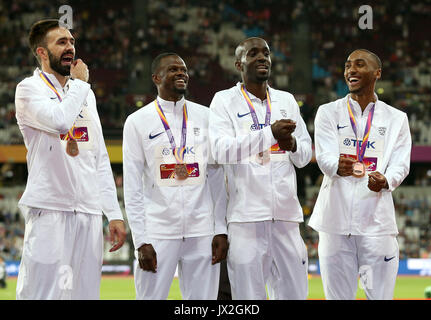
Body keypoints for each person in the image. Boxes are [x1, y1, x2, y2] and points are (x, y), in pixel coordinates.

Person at [14, 19, 126, 300]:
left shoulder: (85, 97)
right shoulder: (29, 90)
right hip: (50, 208)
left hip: (88, 212)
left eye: (72, 42)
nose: (70, 48)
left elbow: (99, 158)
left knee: (84, 295)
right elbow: (60, 121)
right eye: (61, 42)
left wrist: (113, 213)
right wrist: (81, 85)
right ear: (41, 52)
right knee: (42, 294)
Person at [208, 37, 312, 300]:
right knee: (248, 299)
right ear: (238, 63)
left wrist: (292, 145)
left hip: (287, 219)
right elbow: (220, 150)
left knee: (295, 295)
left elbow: (306, 156)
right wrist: (270, 134)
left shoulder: (286, 100)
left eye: (266, 53)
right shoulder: (224, 101)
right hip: (246, 220)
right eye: (253, 53)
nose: (262, 57)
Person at [123, 53, 228, 300]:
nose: (181, 73)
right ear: (156, 78)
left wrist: (220, 229)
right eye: (173, 70)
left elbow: (216, 175)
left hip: (201, 230)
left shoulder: (207, 116)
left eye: (183, 70)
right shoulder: (137, 121)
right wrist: (140, 240)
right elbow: (132, 184)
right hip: (158, 231)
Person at [309, 49, 412, 300]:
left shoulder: (397, 118)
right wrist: (335, 165)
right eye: (347, 66)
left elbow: (401, 163)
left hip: (377, 225)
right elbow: (323, 155)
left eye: (359, 64)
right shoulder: (328, 112)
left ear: (377, 72)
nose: (350, 70)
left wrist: (387, 181)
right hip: (334, 223)